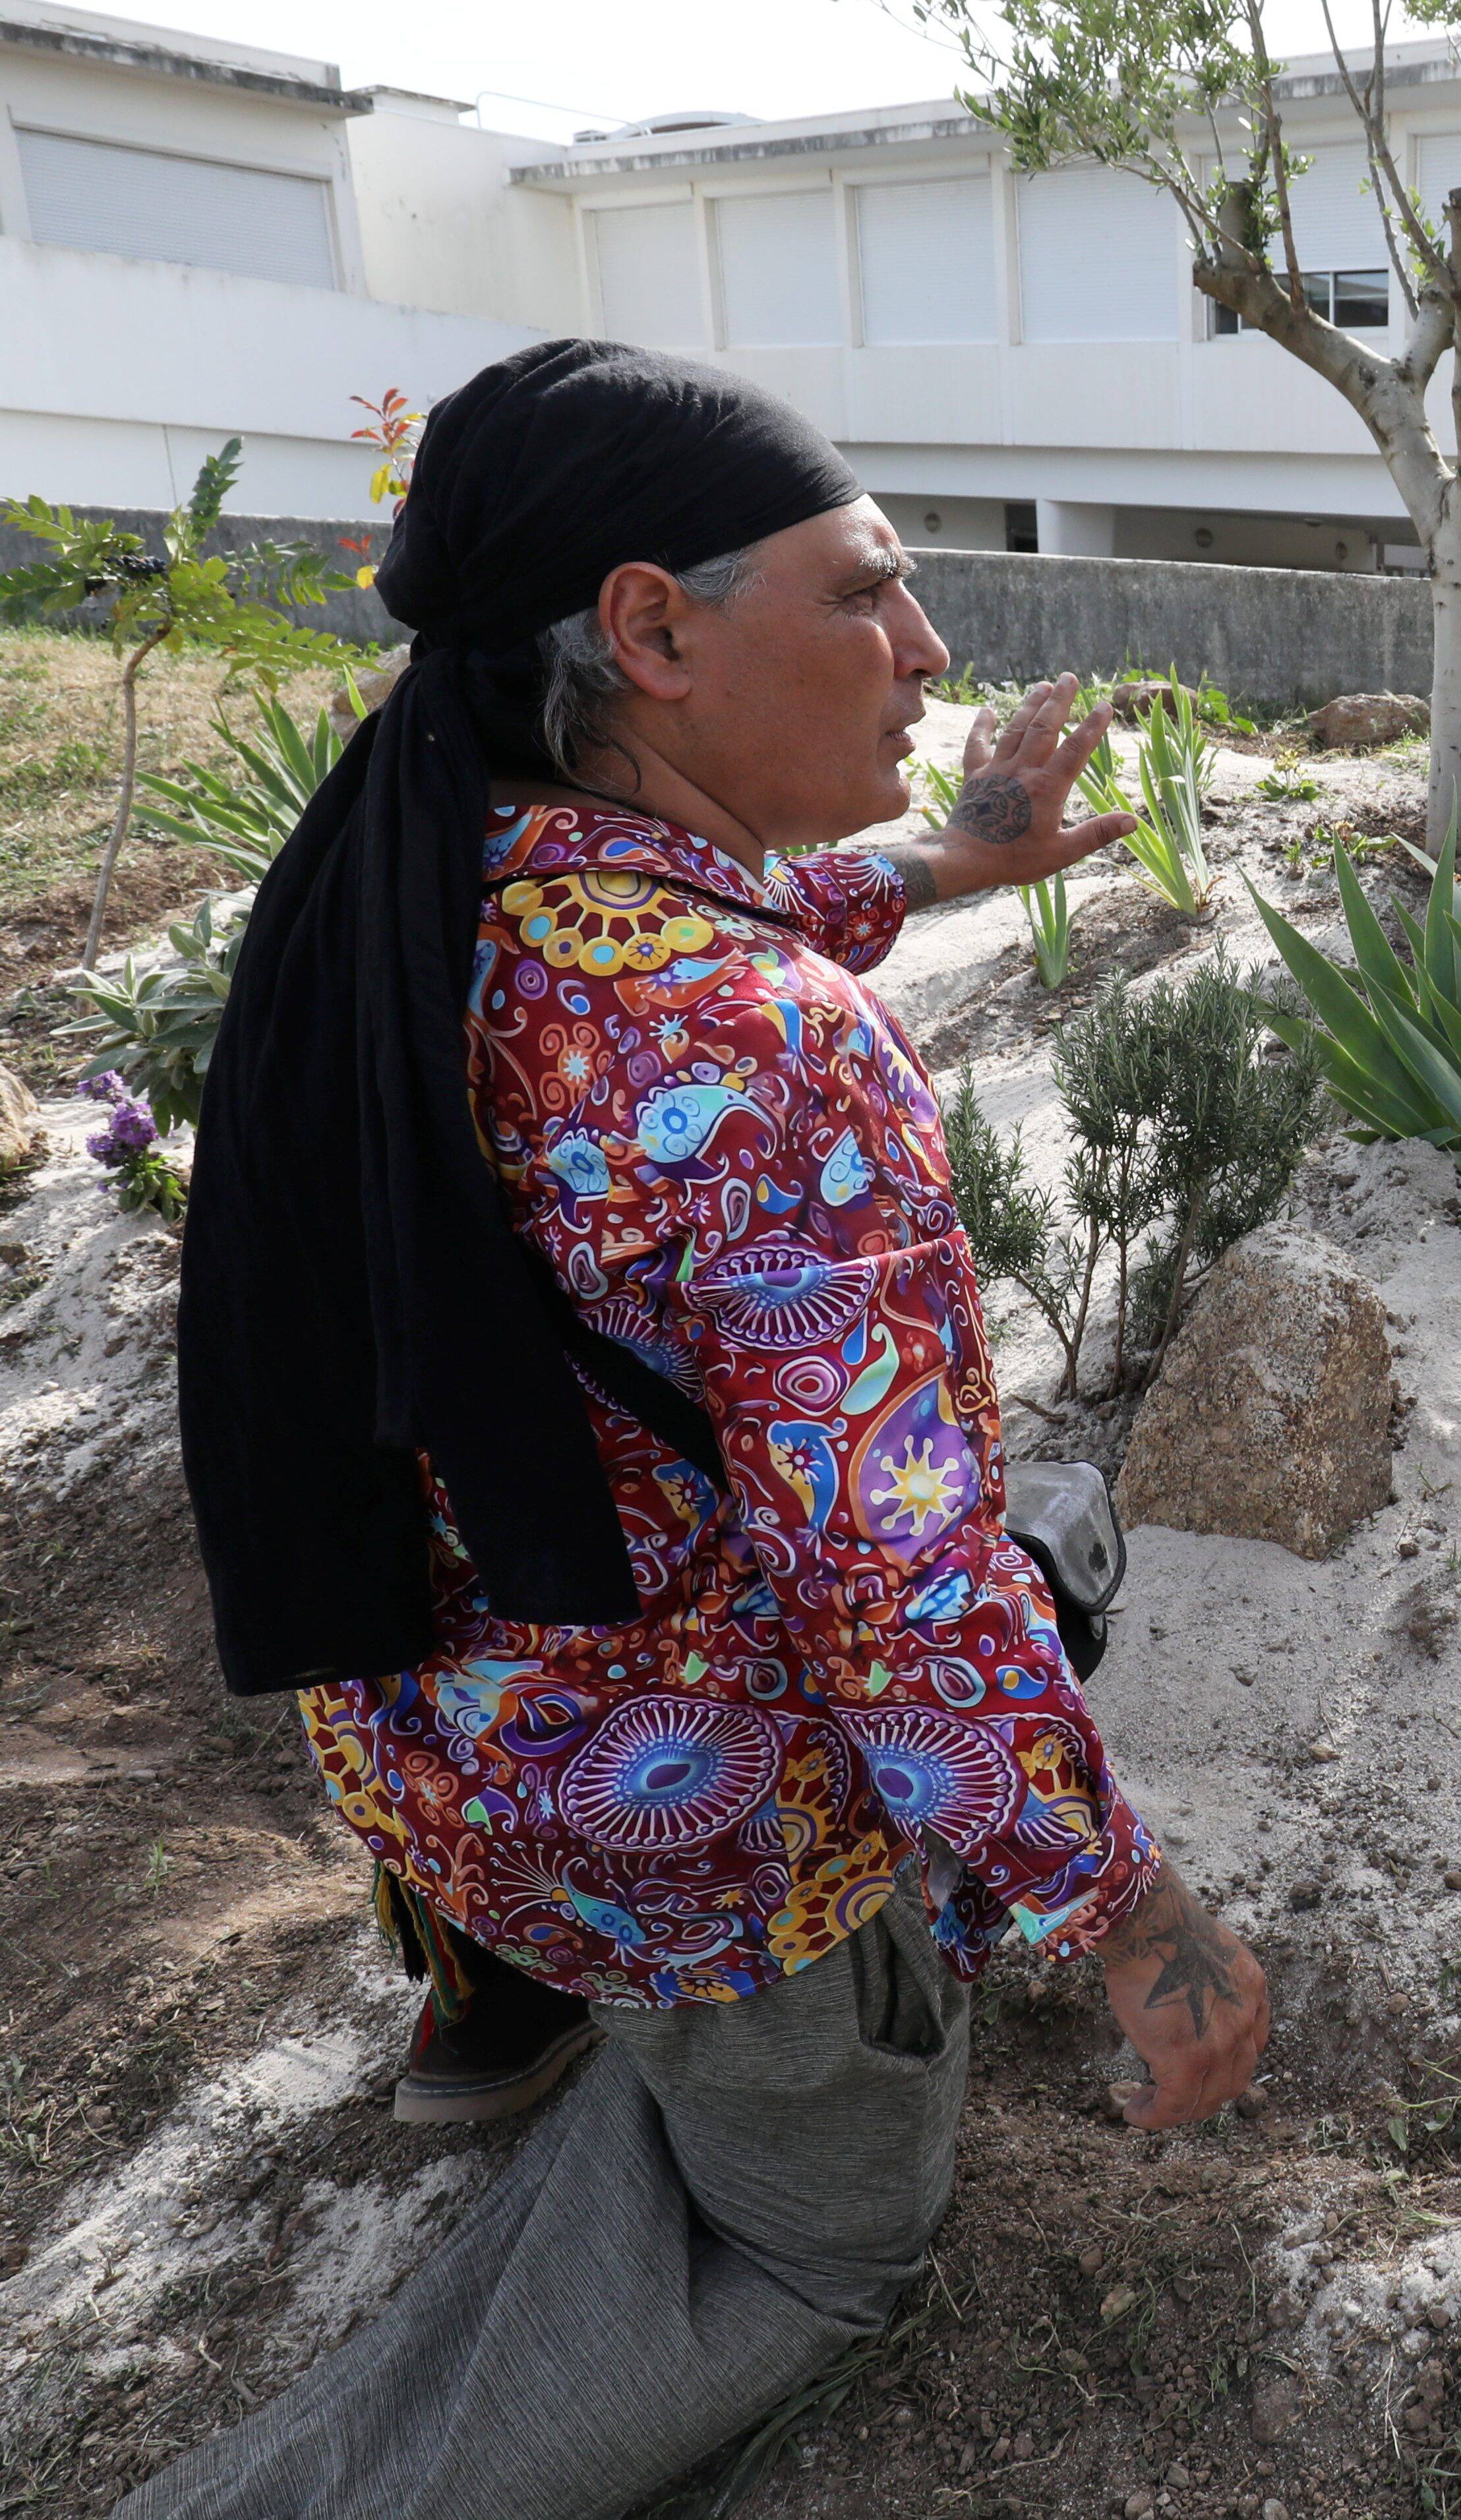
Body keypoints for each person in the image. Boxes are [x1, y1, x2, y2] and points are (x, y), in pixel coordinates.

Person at [134, 339, 1270, 2518]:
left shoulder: (424, 861)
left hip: (427, 1748)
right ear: (651, 627)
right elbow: (898, 1595)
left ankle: (496, 2014)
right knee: (824, 2237)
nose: (926, 646)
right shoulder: (778, 1057)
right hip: (670, 1829)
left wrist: (956, 860)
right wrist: (1138, 1916)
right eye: (864, 593)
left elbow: (691, 933)